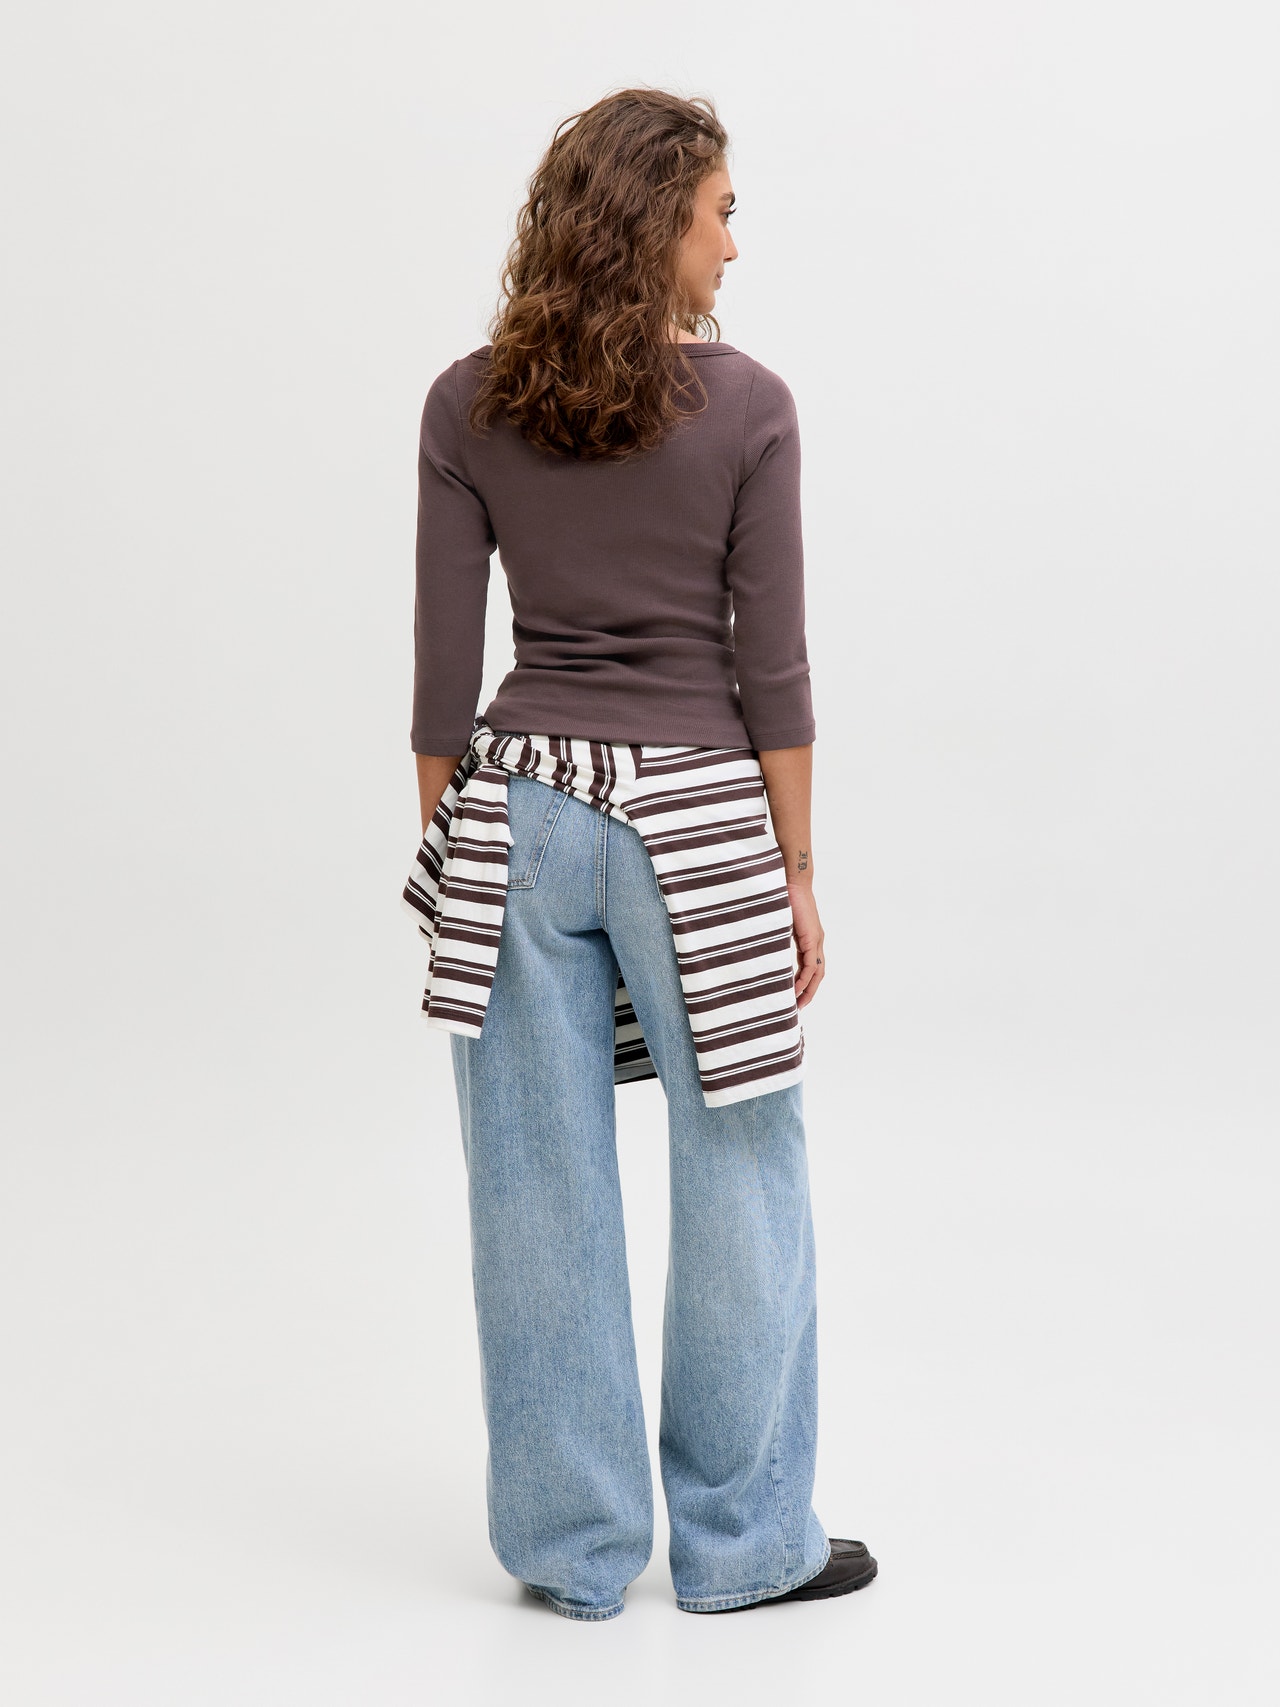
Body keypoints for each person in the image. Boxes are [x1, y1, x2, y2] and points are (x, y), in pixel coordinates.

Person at [406, 86, 877, 1621]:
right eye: (722, 213)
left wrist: (457, 855)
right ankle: (746, 1546)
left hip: (518, 810)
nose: (735, 245)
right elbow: (774, 670)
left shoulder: (468, 403)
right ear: (659, 216)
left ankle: (575, 1552)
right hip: (701, 815)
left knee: (532, 1182)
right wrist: (795, 868)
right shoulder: (749, 408)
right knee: (742, 1161)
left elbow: (441, 684)